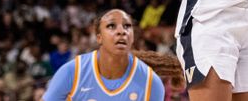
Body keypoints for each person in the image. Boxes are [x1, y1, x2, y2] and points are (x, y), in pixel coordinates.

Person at [42, 9, 176, 100]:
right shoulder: (72, 72)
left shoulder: (151, 83)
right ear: (99, 37)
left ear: (133, 37)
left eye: (127, 26)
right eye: (111, 26)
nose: (121, 31)